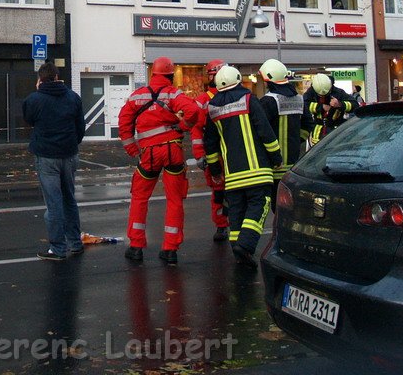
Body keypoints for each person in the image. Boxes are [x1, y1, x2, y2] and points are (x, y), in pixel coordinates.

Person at [118, 56, 203, 265]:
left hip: (148, 154)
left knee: (139, 197)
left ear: (153, 74)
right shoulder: (173, 93)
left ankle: (136, 246)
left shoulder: (136, 96)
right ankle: (170, 249)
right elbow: (193, 111)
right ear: (170, 75)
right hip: (173, 150)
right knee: (174, 199)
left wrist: (131, 147)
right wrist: (183, 127)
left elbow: (124, 121)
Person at [204, 65, 282, 268]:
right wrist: (276, 157)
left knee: (237, 211)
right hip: (257, 170)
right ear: (238, 79)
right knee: (260, 206)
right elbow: (264, 131)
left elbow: (210, 145)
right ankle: (246, 245)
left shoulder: (212, 108)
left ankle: (238, 248)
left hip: (232, 175)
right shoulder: (249, 99)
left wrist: (215, 172)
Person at [23, 62, 86, 261]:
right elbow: (80, 127)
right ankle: (75, 243)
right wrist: (71, 144)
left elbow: (29, 120)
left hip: (47, 156)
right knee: (69, 198)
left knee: (54, 203)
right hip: (69, 155)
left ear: (40, 79)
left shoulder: (34, 99)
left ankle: (57, 249)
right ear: (58, 77)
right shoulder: (73, 97)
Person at [257, 59, 312, 209]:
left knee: (277, 206)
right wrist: (297, 140)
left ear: (269, 80)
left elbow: (261, 131)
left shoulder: (268, 101)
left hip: (274, 164)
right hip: (293, 164)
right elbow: (308, 124)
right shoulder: (299, 99)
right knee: (291, 206)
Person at [190, 59, 230, 242]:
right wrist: (199, 155)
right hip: (216, 155)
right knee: (219, 192)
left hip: (234, 153)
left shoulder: (236, 96)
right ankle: (222, 225)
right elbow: (196, 129)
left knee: (238, 192)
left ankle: (237, 224)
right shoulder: (203, 100)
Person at [303, 73, 355, 147]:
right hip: (317, 131)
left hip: (336, 130)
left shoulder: (339, 92)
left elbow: (355, 105)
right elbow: (304, 105)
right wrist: (320, 107)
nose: (323, 96)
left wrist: (340, 104)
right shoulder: (311, 91)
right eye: (320, 95)